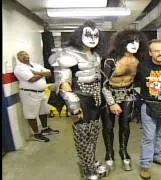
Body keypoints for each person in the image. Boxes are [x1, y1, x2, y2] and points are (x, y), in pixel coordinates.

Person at [48, 21, 108, 180]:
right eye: (88, 35)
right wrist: (74, 106)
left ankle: (90, 161)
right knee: (82, 134)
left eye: (95, 35)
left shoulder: (95, 55)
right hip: (80, 97)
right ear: (80, 36)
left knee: (94, 132)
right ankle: (86, 167)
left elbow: (98, 77)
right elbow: (64, 83)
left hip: (95, 97)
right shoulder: (68, 55)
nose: (92, 38)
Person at [100, 29, 148, 171]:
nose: (134, 45)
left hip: (127, 94)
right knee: (108, 127)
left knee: (125, 126)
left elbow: (139, 79)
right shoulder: (110, 59)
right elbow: (102, 83)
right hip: (109, 94)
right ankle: (109, 153)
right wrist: (111, 102)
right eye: (130, 42)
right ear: (122, 43)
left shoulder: (139, 60)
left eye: (137, 42)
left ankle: (123, 151)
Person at [136, 39, 161, 180]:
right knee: (148, 137)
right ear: (150, 52)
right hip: (149, 106)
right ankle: (145, 165)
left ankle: (158, 157)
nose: (160, 53)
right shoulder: (142, 66)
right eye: (156, 51)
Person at [14, 51, 60, 142]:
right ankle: (36, 134)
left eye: (26, 54)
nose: (25, 56)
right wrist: (42, 73)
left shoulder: (35, 65)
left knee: (44, 111)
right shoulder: (19, 68)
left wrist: (36, 72)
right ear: (19, 58)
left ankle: (45, 129)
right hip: (30, 93)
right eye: (22, 55)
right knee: (31, 114)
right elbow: (31, 79)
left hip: (41, 93)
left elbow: (49, 73)